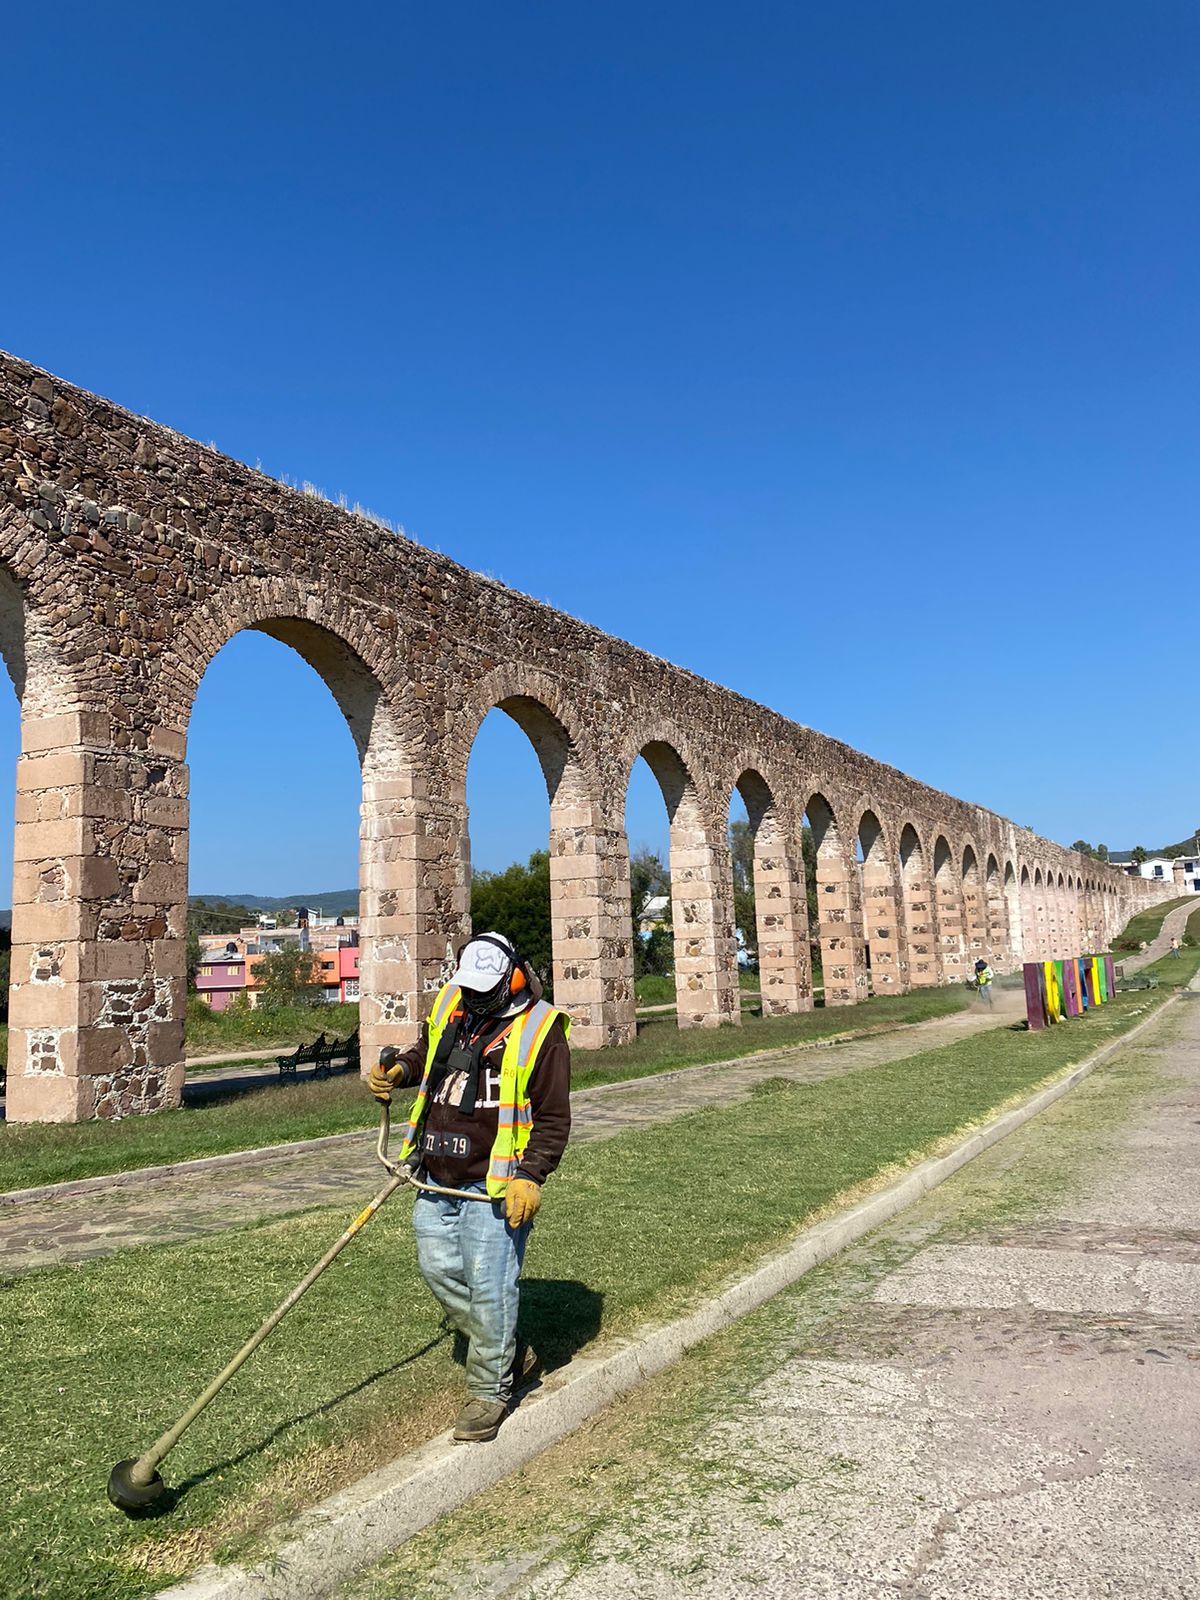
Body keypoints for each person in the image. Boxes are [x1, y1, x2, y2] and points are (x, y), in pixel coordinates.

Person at [367, 932, 571, 1443]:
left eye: (485, 989)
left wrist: (531, 1175)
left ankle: (490, 1390)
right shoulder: (453, 1005)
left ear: (512, 979)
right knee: (439, 1271)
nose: (475, 996)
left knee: (489, 1286)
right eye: (469, 986)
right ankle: (506, 1345)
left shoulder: (540, 1030)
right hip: (435, 1172)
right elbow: (428, 1055)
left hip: (493, 1182)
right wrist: (399, 1070)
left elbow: (552, 1117)